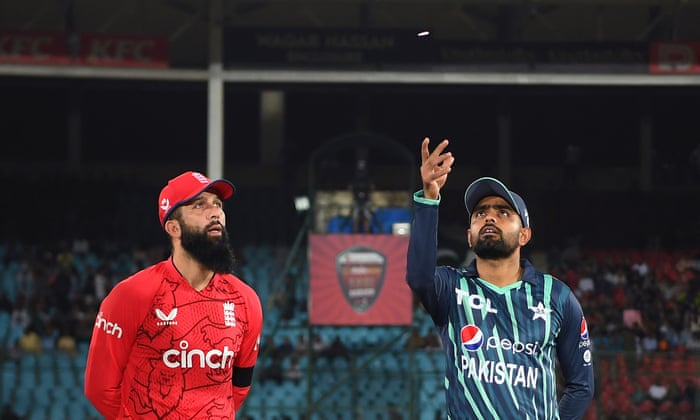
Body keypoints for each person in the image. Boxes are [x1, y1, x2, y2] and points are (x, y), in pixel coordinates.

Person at [406, 138, 594, 419]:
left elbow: (581, 385)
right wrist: (430, 199)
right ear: (469, 236)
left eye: (503, 212)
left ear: (524, 235)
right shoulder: (452, 288)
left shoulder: (557, 296)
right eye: (480, 213)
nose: (489, 218)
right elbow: (419, 278)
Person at [84, 171, 264, 419]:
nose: (215, 213)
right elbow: (100, 388)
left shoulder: (246, 300)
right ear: (173, 227)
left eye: (218, 204)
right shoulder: (132, 294)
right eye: (199, 205)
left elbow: (240, 387)